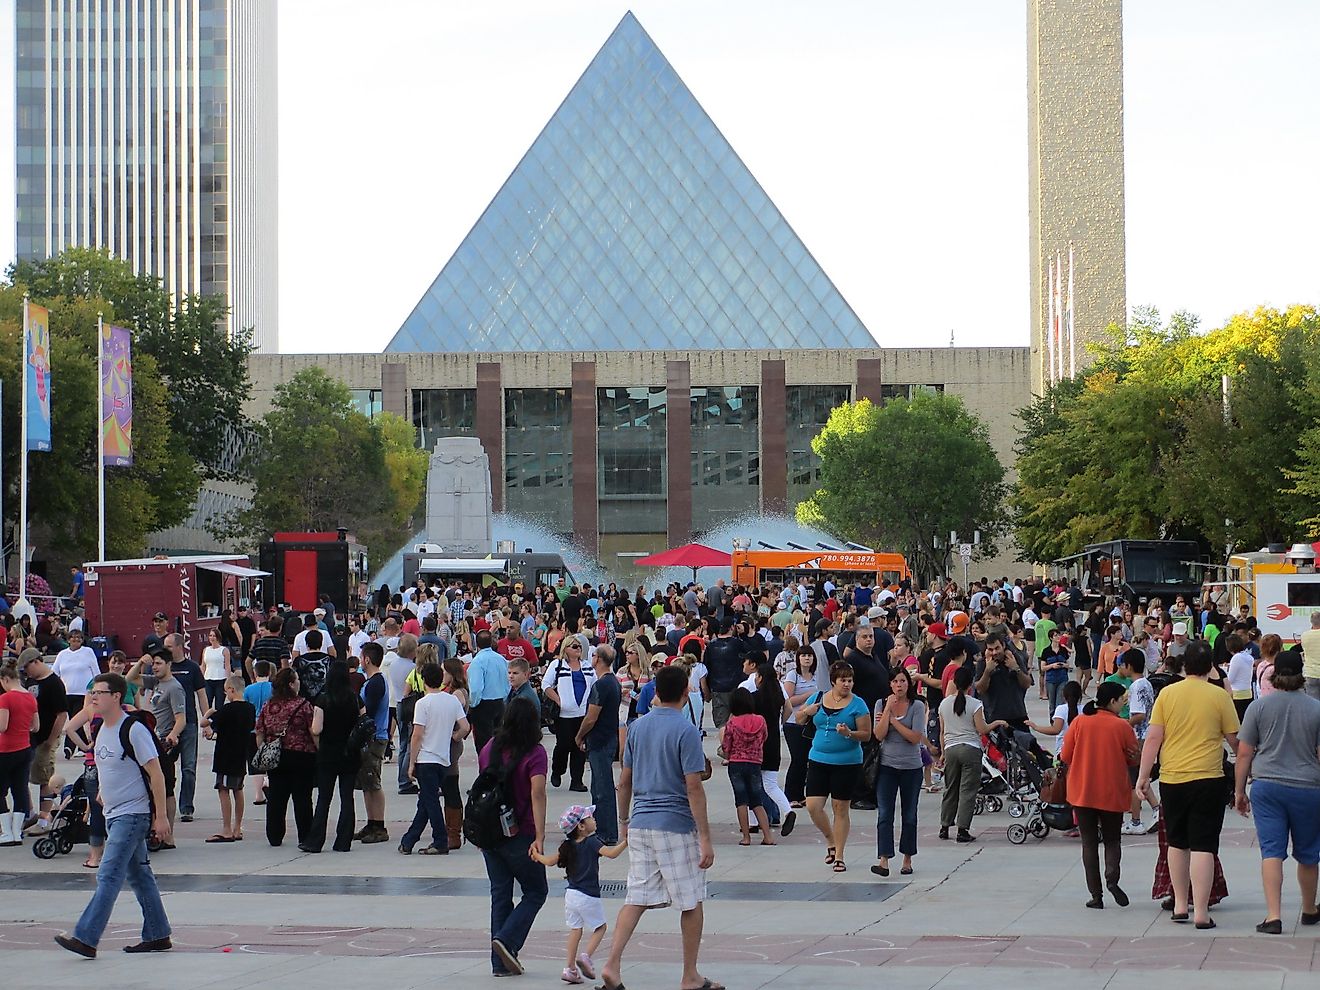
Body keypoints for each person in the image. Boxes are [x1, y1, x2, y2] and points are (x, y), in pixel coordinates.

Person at [597, 665, 718, 990]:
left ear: (655, 692)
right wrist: (705, 838)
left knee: (636, 897)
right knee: (691, 900)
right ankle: (690, 975)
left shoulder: (637, 727)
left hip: (641, 822)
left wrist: (624, 822)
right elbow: (694, 787)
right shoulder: (687, 730)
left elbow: (624, 781)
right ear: (685, 692)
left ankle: (612, 964)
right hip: (675, 824)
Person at [53, 672, 173, 958]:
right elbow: (111, 767)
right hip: (114, 812)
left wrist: (161, 817)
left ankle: (86, 938)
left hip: (132, 815)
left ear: (116, 696)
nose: (93, 697)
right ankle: (158, 934)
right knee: (140, 875)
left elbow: (155, 773)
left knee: (107, 875)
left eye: (99, 692)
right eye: (92, 692)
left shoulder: (132, 729)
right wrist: (103, 793)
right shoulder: (102, 729)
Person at [1136, 641, 1239, 928]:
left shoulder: (1167, 694)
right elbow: (1235, 742)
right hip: (1209, 778)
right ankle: (1202, 913)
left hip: (1172, 779)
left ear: (1184, 665)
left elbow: (1153, 738)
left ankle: (1180, 904)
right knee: (1204, 845)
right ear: (1210, 667)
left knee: (1177, 843)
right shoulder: (1220, 698)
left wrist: (1143, 777)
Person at [1233, 648, 1320, 934]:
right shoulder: (1316, 708)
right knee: (1308, 853)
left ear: (1274, 674)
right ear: (1302, 674)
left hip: (1267, 786)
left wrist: (1239, 791)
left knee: (1272, 851)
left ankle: (1273, 916)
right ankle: (1309, 909)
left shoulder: (1258, 708)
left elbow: (1244, 753)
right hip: (1307, 787)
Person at [479, 697, 549, 977]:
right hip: (521, 832)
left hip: (490, 832)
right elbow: (538, 792)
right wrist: (541, 836)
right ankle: (507, 940)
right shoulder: (535, 752)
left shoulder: (490, 748)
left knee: (500, 894)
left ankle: (500, 963)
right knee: (536, 891)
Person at [1060, 681, 1139, 909]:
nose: (1123, 705)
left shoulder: (1080, 722)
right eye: (1122, 701)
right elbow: (1133, 758)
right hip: (1111, 791)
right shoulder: (1122, 726)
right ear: (1112, 701)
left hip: (1082, 791)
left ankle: (1096, 895)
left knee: (1089, 843)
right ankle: (1112, 879)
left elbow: (1065, 755)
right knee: (1113, 840)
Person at [531, 804, 628, 985]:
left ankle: (569, 969)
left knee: (575, 930)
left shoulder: (566, 847)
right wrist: (625, 842)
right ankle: (586, 956)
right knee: (600, 928)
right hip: (589, 895)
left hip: (571, 896)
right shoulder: (592, 842)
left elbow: (550, 861)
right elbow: (612, 854)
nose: (594, 819)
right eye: (590, 817)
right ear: (581, 827)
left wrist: (537, 855)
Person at [796, 661, 871, 873]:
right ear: (833, 681)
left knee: (840, 808)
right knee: (813, 806)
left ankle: (839, 855)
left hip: (846, 762)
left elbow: (866, 734)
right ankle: (830, 840)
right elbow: (799, 718)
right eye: (843, 680)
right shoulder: (818, 698)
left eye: (850, 680)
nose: (847, 684)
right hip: (818, 759)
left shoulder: (858, 704)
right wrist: (807, 712)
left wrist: (850, 733)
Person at [400, 661, 469, 855]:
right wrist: (452, 737)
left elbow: (417, 735)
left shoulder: (422, 703)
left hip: (426, 758)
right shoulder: (451, 700)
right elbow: (465, 727)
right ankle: (409, 840)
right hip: (444, 759)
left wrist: (411, 763)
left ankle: (440, 840)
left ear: (423, 681)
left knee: (430, 802)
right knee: (426, 801)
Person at [939, 665, 1007, 843]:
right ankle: (962, 830)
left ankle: (944, 826)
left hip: (951, 749)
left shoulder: (944, 704)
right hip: (970, 749)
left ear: (953, 682)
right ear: (971, 684)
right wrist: (997, 722)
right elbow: (982, 729)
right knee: (967, 790)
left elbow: (942, 731)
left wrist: (943, 752)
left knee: (950, 788)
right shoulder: (975, 704)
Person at [871, 667, 926, 877]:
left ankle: (907, 858)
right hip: (887, 766)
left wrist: (895, 721)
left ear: (908, 683)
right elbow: (878, 734)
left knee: (909, 814)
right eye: (895, 681)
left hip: (911, 767)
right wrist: (887, 711)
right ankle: (884, 859)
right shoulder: (881, 704)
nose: (899, 685)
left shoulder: (917, 706)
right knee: (885, 813)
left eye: (902, 681)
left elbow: (914, 737)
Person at [306, 660, 365, 853]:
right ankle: (343, 841)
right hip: (350, 752)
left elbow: (316, 729)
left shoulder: (323, 699)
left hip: (328, 753)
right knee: (347, 798)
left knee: (324, 798)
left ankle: (315, 841)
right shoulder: (355, 699)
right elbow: (364, 723)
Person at [255, 668, 316, 848]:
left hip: (276, 756)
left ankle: (274, 835)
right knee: (303, 797)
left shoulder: (269, 706)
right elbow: (313, 731)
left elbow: (259, 731)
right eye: (296, 679)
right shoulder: (303, 705)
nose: (299, 682)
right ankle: (305, 835)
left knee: (276, 797)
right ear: (291, 684)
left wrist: (264, 750)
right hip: (301, 755)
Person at [576, 644, 621, 844]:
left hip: (600, 740)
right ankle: (604, 829)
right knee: (600, 786)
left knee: (602, 788)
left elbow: (591, 717)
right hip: (608, 738)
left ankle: (607, 832)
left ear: (598, 659)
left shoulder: (601, 685)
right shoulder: (613, 682)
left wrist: (579, 735)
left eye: (593, 655)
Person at [202, 675, 255, 843]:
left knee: (223, 789)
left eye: (226, 691)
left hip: (225, 755)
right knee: (238, 789)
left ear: (231, 690)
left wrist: (209, 712)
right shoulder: (250, 709)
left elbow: (205, 723)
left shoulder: (226, 710)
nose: (226, 695)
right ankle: (237, 827)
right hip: (241, 754)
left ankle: (226, 828)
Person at [721, 687, 774, 846]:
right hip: (755, 763)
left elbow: (726, 745)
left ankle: (746, 837)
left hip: (736, 763)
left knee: (741, 801)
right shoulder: (760, 720)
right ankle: (768, 836)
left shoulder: (732, 722)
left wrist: (728, 754)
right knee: (757, 800)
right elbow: (764, 737)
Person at [544, 639, 596, 793]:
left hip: (582, 714)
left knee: (579, 747)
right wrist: (558, 700)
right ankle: (557, 771)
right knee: (563, 745)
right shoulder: (557, 665)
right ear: (565, 648)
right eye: (574, 646)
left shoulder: (587, 666)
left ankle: (577, 780)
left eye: (580, 646)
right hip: (564, 715)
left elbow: (595, 685)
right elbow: (546, 684)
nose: (578, 649)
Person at [355, 642, 391, 844]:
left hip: (375, 738)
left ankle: (379, 825)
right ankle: (371, 822)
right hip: (371, 737)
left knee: (373, 782)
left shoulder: (376, 683)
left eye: (361, 657)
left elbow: (369, 710)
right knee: (367, 784)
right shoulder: (372, 681)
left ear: (367, 659)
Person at [0, 663, 38, 846]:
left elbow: (2, 726)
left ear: (5, 679)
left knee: (0, 791)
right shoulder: (30, 698)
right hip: (24, 747)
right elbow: (36, 726)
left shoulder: (6, 698)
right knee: (20, 789)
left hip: (5, 749)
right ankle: (16, 832)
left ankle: (6, 832)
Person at [53, 630, 99, 757]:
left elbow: (96, 672)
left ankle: (69, 746)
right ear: (68, 640)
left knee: (75, 719)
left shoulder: (88, 652)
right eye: (72, 638)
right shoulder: (62, 654)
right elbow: (55, 672)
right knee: (74, 720)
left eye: (79, 638)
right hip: (67, 693)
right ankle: (84, 746)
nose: (76, 640)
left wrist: (97, 688)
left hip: (84, 693)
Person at [782, 646, 817, 807]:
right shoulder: (793, 675)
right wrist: (807, 696)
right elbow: (788, 700)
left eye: (809, 655)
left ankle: (800, 793)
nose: (807, 658)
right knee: (797, 759)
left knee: (806, 759)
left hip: (811, 723)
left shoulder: (816, 676)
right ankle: (790, 794)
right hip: (793, 723)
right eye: (803, 656)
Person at [972, 632, 1031, 729]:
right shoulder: (983, 663)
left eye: (997, 648)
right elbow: (980, 689)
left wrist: (1016, 668)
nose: (994, 652)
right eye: (990, 649)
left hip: (1018, 715)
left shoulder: (1014, 658)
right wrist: (987, 671)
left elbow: (1027, 684)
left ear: (1003, 645)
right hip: (995, 718)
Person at [200, 627, 232, 711]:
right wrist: (200, 678)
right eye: (210, 635)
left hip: (220, 679)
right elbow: (203, 665)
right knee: (207, 704)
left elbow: (227, 666)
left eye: (214, 636)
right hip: (208, 679)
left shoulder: (224, 650)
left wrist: (228, 680)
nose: (212, 638)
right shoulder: (206, 650)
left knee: (219, 705)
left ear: (218, 637)